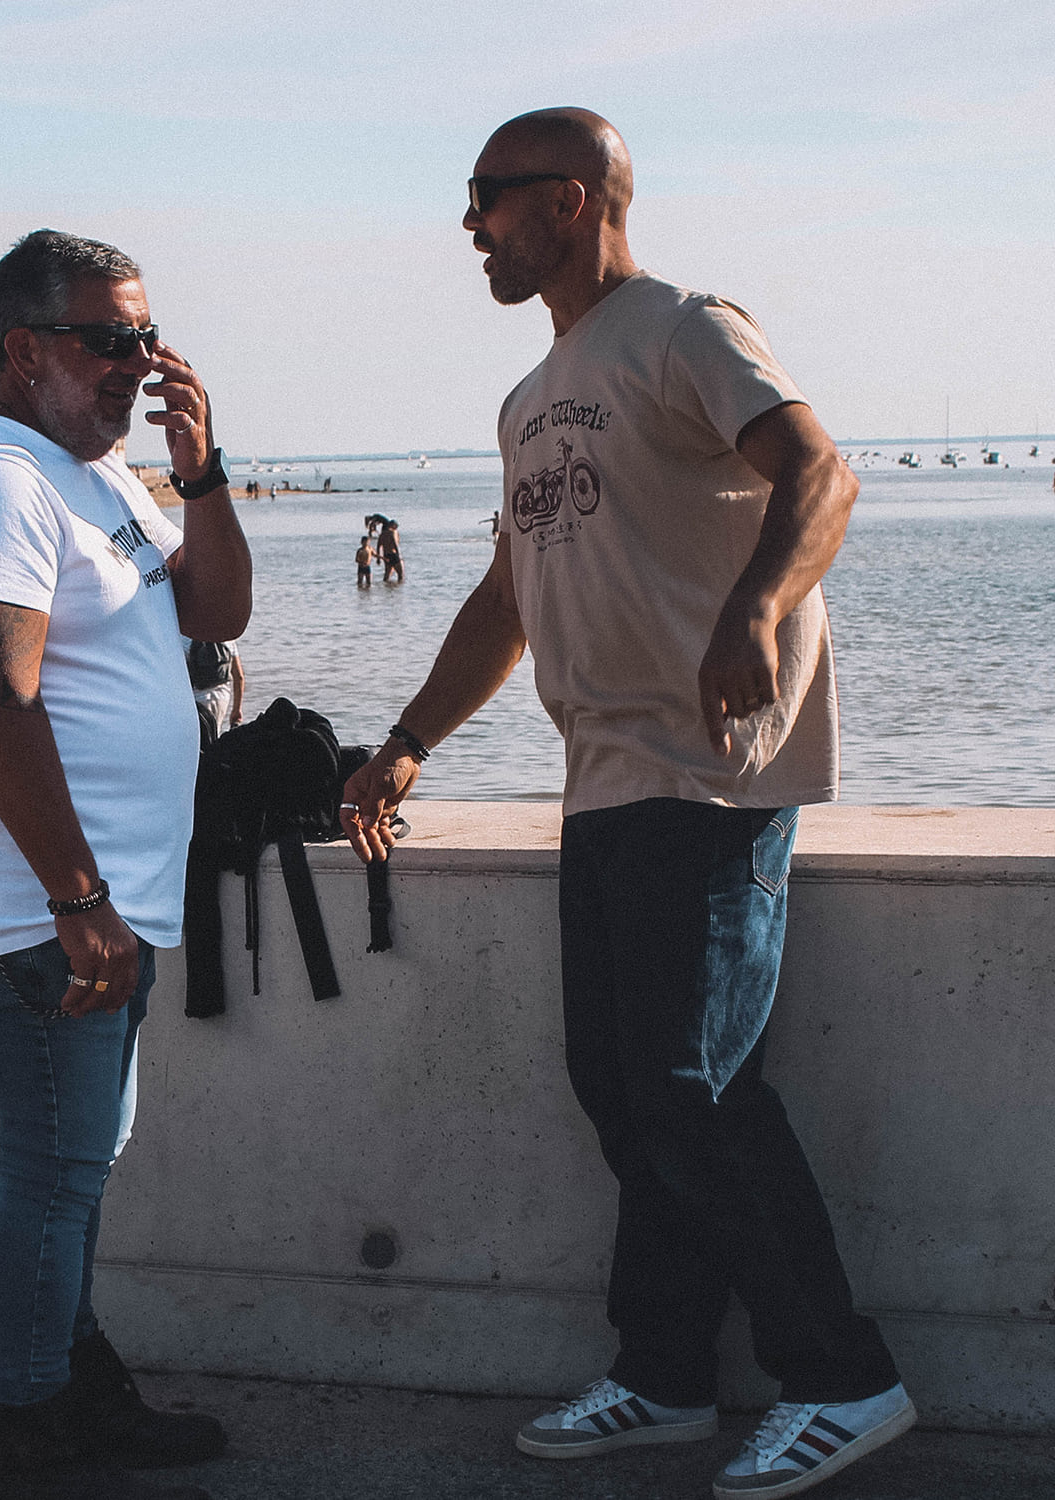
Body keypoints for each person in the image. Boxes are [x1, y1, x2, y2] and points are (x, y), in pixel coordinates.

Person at [340, 110, 914, 1500]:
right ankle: (663, 1375)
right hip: (601, 778)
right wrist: (408, 741)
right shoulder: (528, 398)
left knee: (688, 1086)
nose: (469, 224)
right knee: (625, 1091)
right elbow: (507, 597)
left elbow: (823, 472)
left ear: (572, 198)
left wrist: (757, 607)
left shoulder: (682, 328)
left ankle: (845, 1378)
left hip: (709, 776)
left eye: (488, 195)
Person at [0, 229, 252, 1500]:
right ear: (24, 348)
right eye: (106, 340)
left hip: (108, 902)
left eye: (144, 337)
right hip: (47, 908)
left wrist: (202, 475)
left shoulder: (101, 478)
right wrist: (78, 897)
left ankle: (70, 1378)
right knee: (53, 1172)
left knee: (77, 1162)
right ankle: (34, 1425)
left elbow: (217, 613)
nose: (136, 364)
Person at [185, 638, 244, 743]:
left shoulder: (185, 639)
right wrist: (236, 710)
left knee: (195, 741)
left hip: (196, 699)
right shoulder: (227, 638)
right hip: (222, 697)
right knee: (214, 736)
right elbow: (239, 677)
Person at [379, 517, 403, 582]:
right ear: (393, 526)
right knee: (400, 575)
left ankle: (386, 587)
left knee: (387, 575)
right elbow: (395, 544)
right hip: (393, 554)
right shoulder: (393, 532)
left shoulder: (382, 534)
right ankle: (399, 587)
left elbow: (378, 546)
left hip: (386, 555)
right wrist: (399, 554)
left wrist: (379, 558)